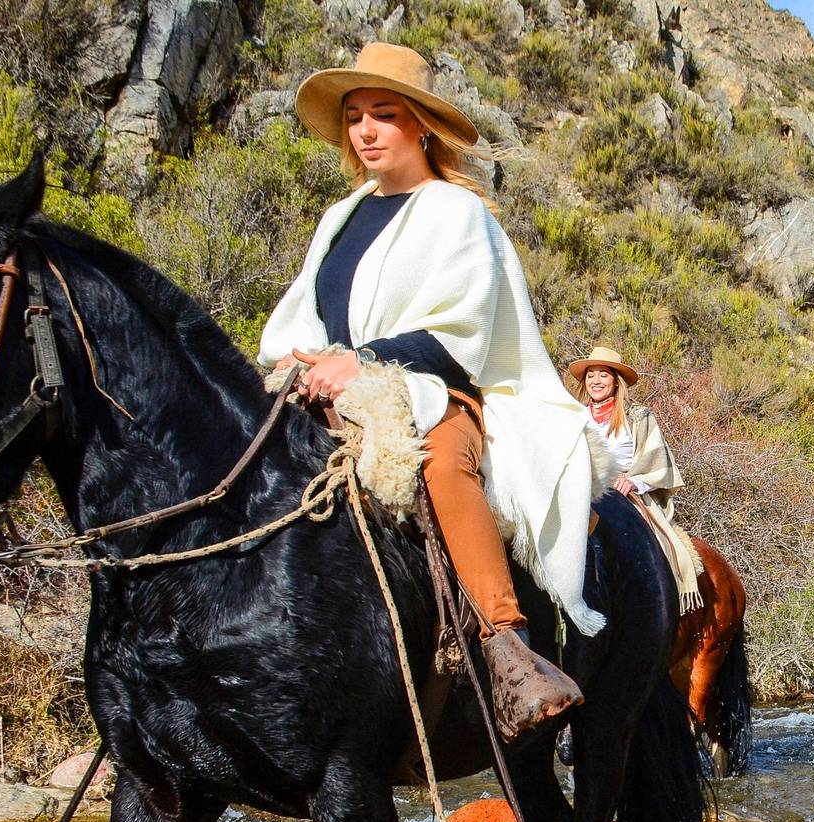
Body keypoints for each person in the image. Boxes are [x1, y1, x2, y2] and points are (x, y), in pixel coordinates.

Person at [257, 42, 596, 738]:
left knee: (442, 461)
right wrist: (306, 359)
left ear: (420, 125)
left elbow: (462, 329)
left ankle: (507, 647)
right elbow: (305, 314)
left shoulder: (456, 211)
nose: (366, 130)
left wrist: (362, 361)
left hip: (430, 390)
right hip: (332, 390)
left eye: (384, 114)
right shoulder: (340, 218)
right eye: (355, 117)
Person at [565, 345, 702, 610]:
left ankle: (663, 597)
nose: (595, 381)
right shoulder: (574, 416)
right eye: (591, 375)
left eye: (603, 375)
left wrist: (632, 481)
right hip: (579, 491)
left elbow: (658, 464)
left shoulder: (638, 416)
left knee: (662, 545)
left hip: (624, 492)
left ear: (616, 381)